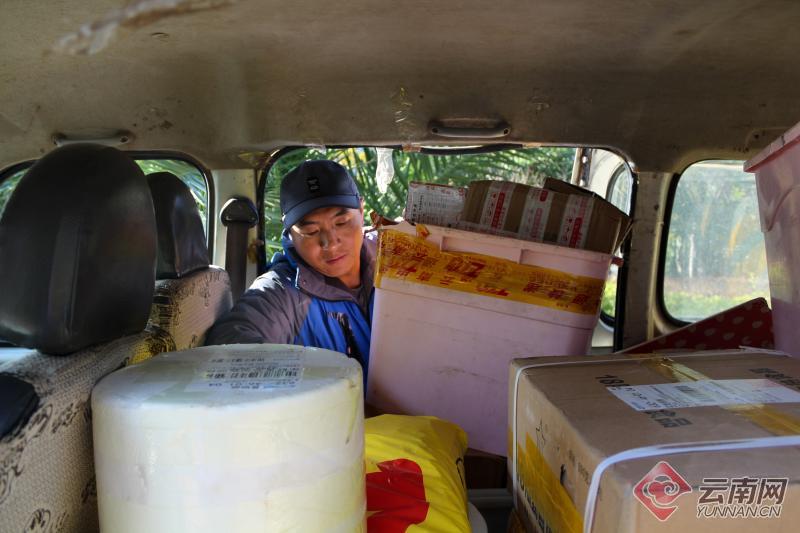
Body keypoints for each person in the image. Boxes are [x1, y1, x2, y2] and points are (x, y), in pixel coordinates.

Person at [205, 160, 375, 375]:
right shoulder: (283, 291)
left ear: (362, 210)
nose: (330, 243)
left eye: (341, 223)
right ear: (290, 234)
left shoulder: (394, 257)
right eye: (311, 232)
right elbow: (228, 348)